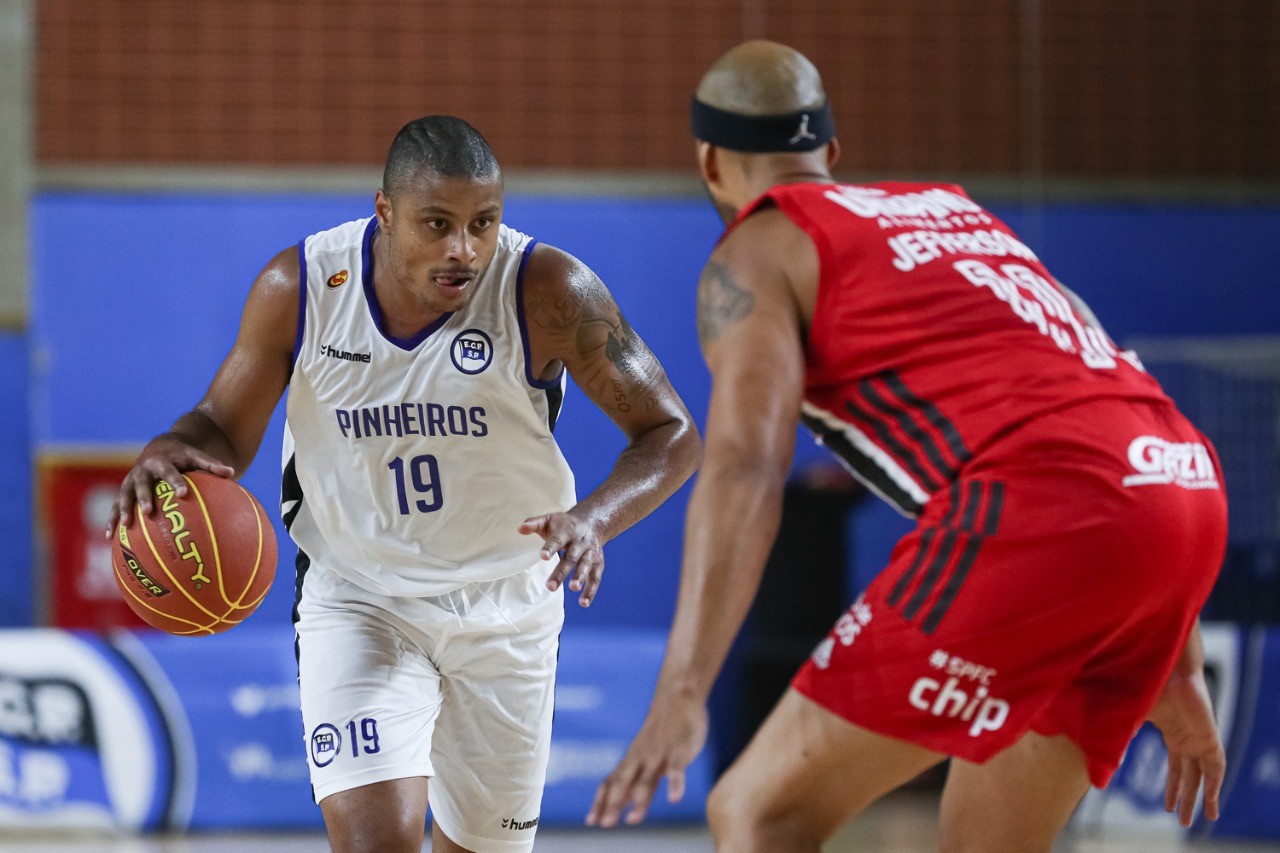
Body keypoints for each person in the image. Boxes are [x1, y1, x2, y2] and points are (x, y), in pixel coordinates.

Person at [588, 41, 1228, 851]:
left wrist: (683, 689)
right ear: (831, 154)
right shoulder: (955, 210)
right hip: (1182, 487)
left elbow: (748, 463)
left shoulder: (757, 249)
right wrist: (1175, 654)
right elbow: (1106, 380)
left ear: (710, 162)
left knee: (756, 811)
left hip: (1046, 510)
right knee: (987, 839)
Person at [108, 115, 701, 853]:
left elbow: (671, 433)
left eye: (484, 223)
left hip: (509, 603)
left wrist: (594, 520)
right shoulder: (299, 288)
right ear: (385, 212)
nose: (465, 249)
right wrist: (172, 446)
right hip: (362, 597)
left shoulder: (550, 291)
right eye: (438, 224)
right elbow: (220, 426)